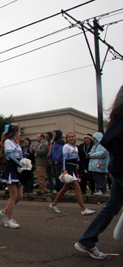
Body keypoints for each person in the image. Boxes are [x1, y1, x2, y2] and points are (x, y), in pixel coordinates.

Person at [74, 85, 123, 260]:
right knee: (111, 207)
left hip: (118, 170)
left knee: (111, 207)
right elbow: (109, 139)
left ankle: (86, 241)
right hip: (120, 170)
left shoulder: (118, 115)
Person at [49, 132, 96, 216]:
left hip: (73, 169)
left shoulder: (75, 147)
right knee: (77, 188)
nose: (71, 138)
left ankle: (53, 204)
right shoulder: (66, 146)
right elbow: (65, 159)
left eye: (72, 136)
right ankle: (83, 209)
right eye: (69, 137)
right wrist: (65, 170)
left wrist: (83, 168)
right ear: (67, 138)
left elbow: (77, 160)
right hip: (69, 169)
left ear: (75, 138)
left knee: (64, 189)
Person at [0, 124, 26, 229]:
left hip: (17, 171)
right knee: (13, 196)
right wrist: (21, 164)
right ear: (14, 132)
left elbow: (21, 156)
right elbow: (10, 157)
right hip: (10, 170)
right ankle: (9, 219)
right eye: (19, 131)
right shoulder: (8, 142)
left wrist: (25, 165)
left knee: (20, 196)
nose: (20, 133)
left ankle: (4, 212)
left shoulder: (17, 144)